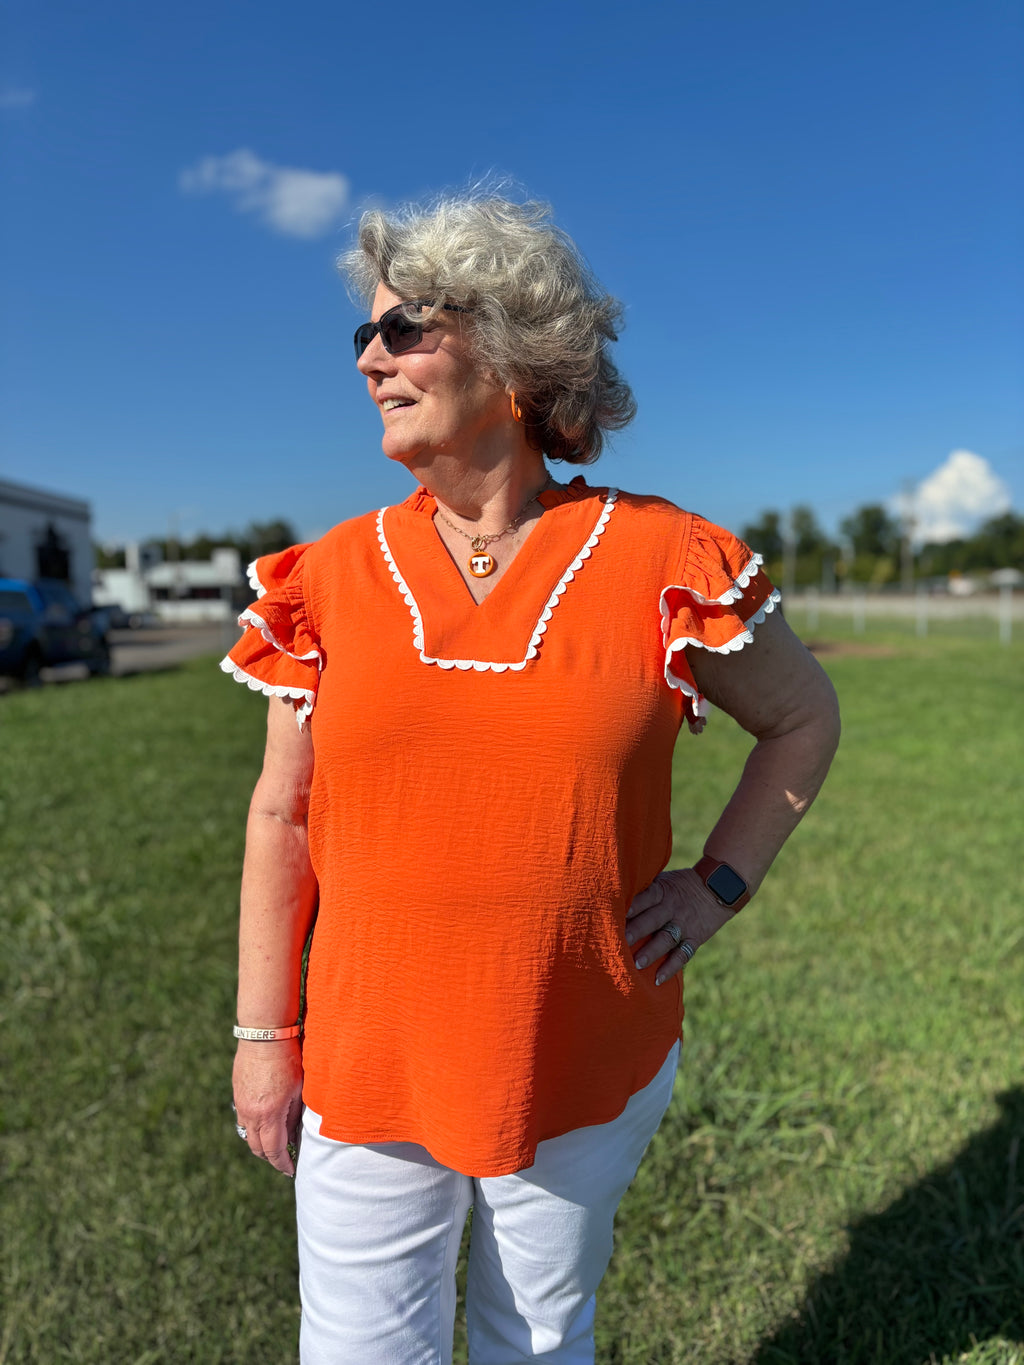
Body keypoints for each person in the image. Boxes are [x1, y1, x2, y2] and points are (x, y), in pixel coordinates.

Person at [221, 193, 840, 1365]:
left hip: (579, 1043)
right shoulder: (327, 576)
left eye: (404, 328)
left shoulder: (665, 557)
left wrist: (716, 887)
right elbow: (281, 812)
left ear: (508, 348)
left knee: (539, 1341)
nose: (369, 358)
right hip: (366, 1055)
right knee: (359, 1350)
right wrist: (264, 1034)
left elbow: (804, 719)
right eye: (360, 336)